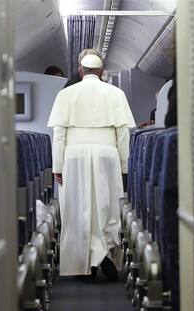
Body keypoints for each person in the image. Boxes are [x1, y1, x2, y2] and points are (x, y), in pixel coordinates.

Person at [47, 50, 135, 281]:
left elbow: (59, 134)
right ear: (102, 72)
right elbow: (123, 134)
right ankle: (106, 250)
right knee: (107, 207)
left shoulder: (66, 94)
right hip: (108, 154)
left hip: (73, 156)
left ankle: (84, 263)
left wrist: (57, 166)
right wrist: (124, 167)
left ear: (80, 71)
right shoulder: (116, 93)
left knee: (77, 209)